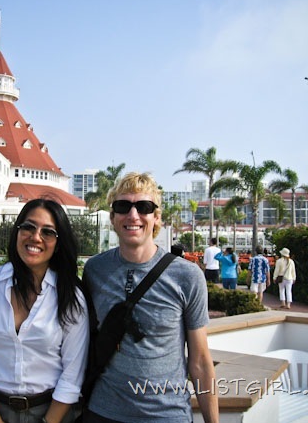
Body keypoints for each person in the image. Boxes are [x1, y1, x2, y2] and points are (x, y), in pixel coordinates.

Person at [82, 172, 219, 423]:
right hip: (103, 411)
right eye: (123, 206)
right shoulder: (95, 270)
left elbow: (200, 360)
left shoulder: (187, 276)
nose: (133, 215)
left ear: (156, 217)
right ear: (112, 217)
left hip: (167, 414)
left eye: (144, 207)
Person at [0, 198, 89, 423]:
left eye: (48, 232)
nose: (36, 237)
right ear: (17, 232)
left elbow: (72, 375)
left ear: (58, 244)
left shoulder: (70, 296)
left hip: (52, 414)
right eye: (29, 227)